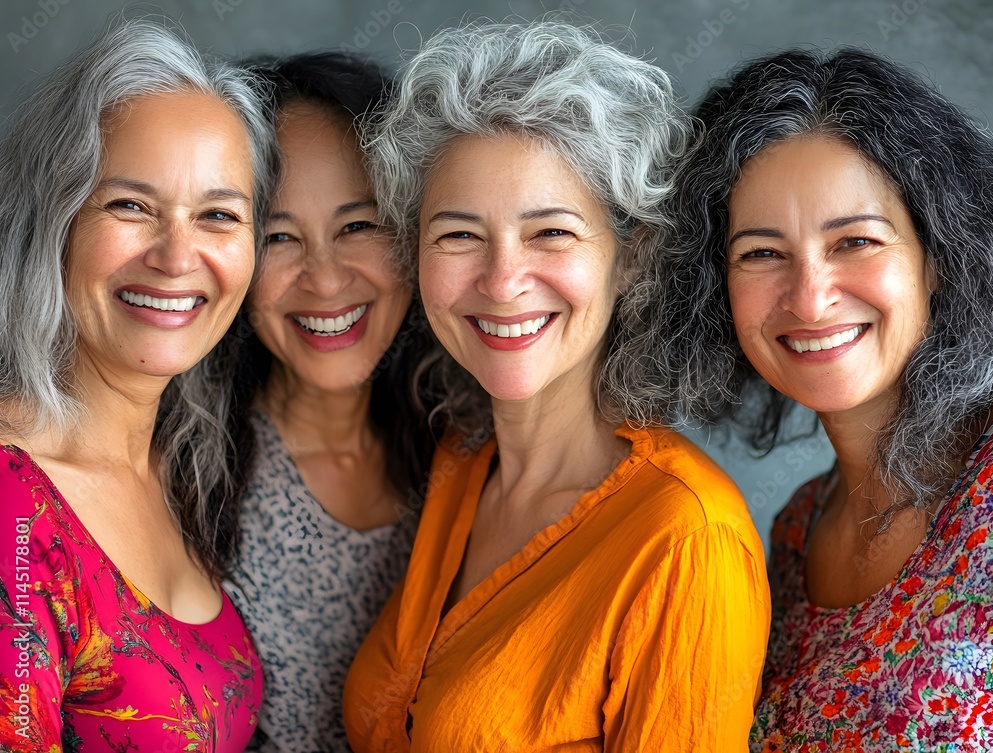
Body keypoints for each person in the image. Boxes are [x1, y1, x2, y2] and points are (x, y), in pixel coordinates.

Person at [342, 20, 769, 752]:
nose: (503, 280)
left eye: (552, 233)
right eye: (459, 234)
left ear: (629, 259)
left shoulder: (687, 539)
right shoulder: (460, 463)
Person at [665, 48, 993, 750]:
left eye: (855, 240)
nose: (810, 296)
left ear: (937, 257)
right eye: (761, 253)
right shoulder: (790, 538)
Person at [0, 19, 276, 752]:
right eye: (131, 205)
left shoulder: (182, 466)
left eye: (218, 215)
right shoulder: (11, 509)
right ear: (52, 220)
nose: (178, 254)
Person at [221, 52, 434, 753]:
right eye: (278, 236)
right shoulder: (187, 476)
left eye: (358, 225)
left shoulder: (469, 452)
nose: (325, 278)